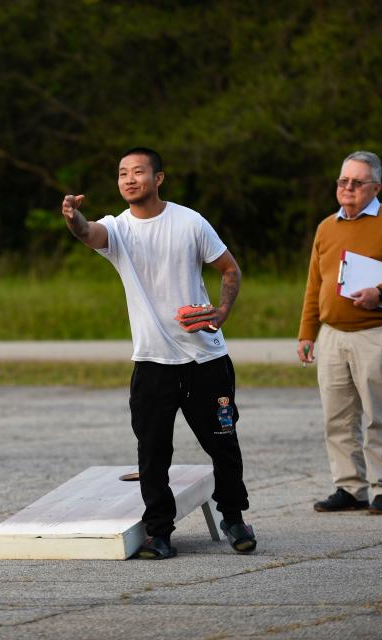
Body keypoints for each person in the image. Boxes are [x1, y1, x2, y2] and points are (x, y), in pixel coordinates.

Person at [61, 147, 255, 559]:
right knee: (152, 453)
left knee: (224, 443)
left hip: (206, 361)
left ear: (159, 178)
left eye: (138, 172)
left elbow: (230, 269)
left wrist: (221, 312)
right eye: (122, 173)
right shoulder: (118, 229)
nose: (129, 179)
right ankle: (160, 532)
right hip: (152, 364)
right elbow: (87, 232)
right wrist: (73, 218)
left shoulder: (190, 222)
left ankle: (234, 518)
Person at [298, 151, 382, 515]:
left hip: (375, 331)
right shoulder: (326, 227)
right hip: (332, 334)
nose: (347, 188)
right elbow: (314, 283)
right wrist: (308, 332)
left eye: (357, 182)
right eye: (342, 181)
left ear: (376, 187)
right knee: (337, 416)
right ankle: (350, 487)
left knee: (377, 414)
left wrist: (380, 293)